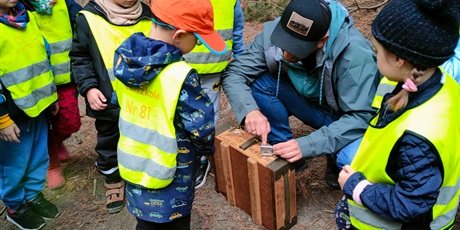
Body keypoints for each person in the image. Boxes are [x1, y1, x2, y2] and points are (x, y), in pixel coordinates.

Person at [221, 0, 379, 189]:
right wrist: (250, 111)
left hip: (343, 117)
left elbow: (362, 117)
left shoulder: (354, 53)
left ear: (322, 40)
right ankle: (285, 151)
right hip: (308, 103)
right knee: (260, 82)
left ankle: (333, 154)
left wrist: (308, 144)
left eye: (297, 48)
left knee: (350, 159)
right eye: (285, 43)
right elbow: (235, 73)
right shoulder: (277, 32)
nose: (286, 54)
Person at [334, 0, 460, 228]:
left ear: (398, 59)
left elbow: (409, 204)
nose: (375, 55)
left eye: (377, 50)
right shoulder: (442, 83)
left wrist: (357, 187)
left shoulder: (419, 136)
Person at [112, 0, 226, 227]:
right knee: (175, 223)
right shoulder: (180, 74)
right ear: (179, 35)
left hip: (134, 160)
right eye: (197, 40)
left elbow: (118, 101)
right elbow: (201, 126)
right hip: (173, 168)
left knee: (144, 221)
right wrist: (206, 149)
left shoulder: (125, 61)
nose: (199, 46)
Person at [69, 0, 153, 213]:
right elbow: (80, 57)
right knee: (110, 138)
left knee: (144, 136)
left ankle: (143, 172)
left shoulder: (148, 14)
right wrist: (89, 88)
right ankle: (113, 177)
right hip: (108, 98)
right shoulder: (88, 17)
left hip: (145, 96)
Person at [0, 1, 61, 229]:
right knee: (13, 163)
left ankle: (32, 194)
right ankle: (14, 204)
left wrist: (51, 95)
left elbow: (43, 58)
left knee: (38, 155)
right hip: (12, 115)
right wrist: (2, 119)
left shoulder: (28, 18)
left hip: (38, 105)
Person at [182, 0, 244, 189]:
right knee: (180, 115)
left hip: (213, 70)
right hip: (181, 68)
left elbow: (237, 29)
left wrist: (241, 60)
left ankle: (200, 158)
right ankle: (183, 157)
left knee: (207, 117)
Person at [21, 0, 83, 190]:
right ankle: (52, 165)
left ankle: (56, 143)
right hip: (37, 82)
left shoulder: (65, 4)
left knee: (70, 122)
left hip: (64, 78)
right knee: (44, 125)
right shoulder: (20, 11)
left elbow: (83, 24)